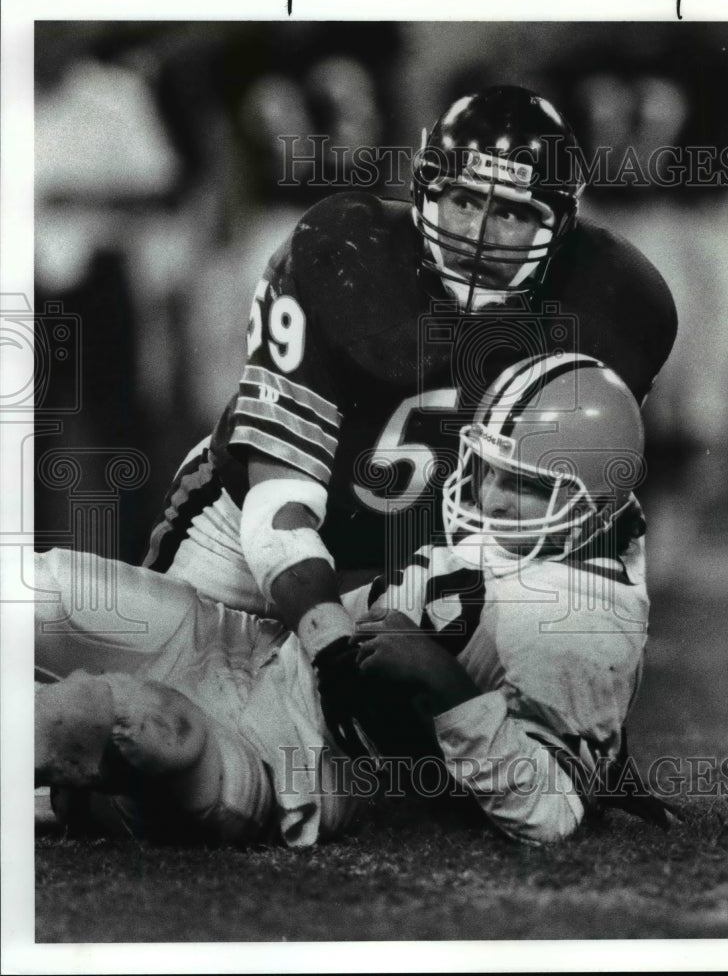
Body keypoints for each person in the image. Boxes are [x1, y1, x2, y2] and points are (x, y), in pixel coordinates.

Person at [141, 85, 677, 681]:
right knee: (159, 706)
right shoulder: (344, 255)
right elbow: (278, 504)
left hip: (426, 567)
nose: (480, 235)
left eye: (512, 213)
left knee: (412, 753)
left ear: (562, 222)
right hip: (245, 542)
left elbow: (579, 519)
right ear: (425, 190)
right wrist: (328, 638)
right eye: (465, 201)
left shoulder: (615, 306)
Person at [36, 354, 670, 847]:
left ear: (596, 502)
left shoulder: (587, 626)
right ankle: (82, 793)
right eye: (491, 470)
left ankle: (87, 789)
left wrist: (445, 684)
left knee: (123, 723)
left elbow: (549, 814)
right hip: (256, 648)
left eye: (525, 485)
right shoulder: (558, 541)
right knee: (40, 588)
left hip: (307, 759)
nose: (495, 499)